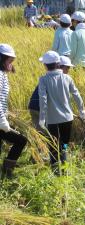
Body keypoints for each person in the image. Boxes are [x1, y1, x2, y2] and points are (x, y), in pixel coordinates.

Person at [38, 51, 85, 174]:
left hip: (52, 120)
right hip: (67, 118)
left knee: (54, 145)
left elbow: (43, 100)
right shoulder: (67, 78)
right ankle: (65, 168)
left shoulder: (43, 80)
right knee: (64, 143)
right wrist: (82, 111)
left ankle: (56, 171)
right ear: (58, 63)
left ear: (45, 65)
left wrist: (42, 118)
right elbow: (77, 95)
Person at [0, 44, 27, 178]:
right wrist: (2, 120)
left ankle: (5, 171)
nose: (11, 65)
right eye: (9, 61)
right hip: (0, 121)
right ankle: (7, 170)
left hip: (1, 118)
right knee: (21, 140)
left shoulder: (3, 74)